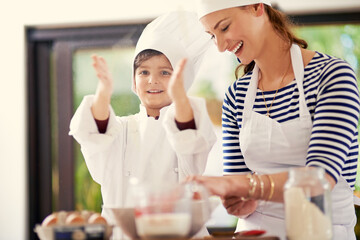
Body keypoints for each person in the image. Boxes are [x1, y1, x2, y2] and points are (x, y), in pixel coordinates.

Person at [187, 0, 360, 239]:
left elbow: (320, 180)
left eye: (224, 28)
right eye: (211, 36)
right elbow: (237, 183)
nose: (220, 46)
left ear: (257, 7)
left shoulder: (331, 76)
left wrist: (244, 186)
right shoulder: (236, 96)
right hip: (255, 232)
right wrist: (240, 201)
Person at [69, 10, 216, 239]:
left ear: (181, 82)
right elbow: (94, 136)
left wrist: (180, 98)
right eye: (144, 72)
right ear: (134, 83)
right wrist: (103, 93)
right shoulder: (121, 130)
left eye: (165, 72)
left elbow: (191, 138)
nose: (152, 80)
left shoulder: (187, 128)